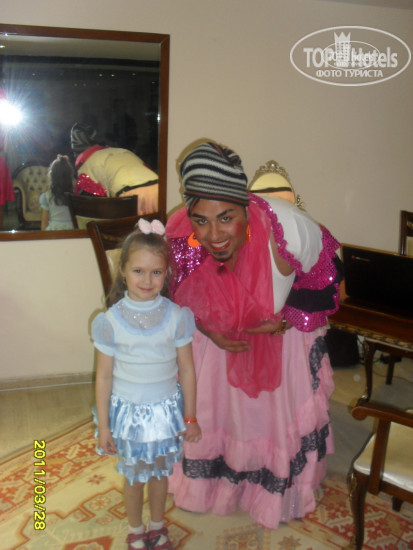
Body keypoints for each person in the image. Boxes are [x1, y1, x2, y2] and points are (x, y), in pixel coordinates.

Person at [165, 140, 342, 529]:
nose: (214, 234)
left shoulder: (289, 231)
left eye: (226, 217)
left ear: (244, 205)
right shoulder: (185, 235)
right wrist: (212, 332)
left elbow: (330, 276)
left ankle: (275, 486)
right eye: (201, 220)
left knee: (267, 420)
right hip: (216, 342)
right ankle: (220, 480)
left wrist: (287, 320)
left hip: (281, 340)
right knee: (220, 416)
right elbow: (180, 295)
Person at [91, 218, 202, 550]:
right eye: (138, 271)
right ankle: (136, 529)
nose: (147, 280)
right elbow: (104, 376)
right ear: (123, 271)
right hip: (129, 416)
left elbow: (187, 370)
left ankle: (157, 525)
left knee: (159, 474)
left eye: (156, 272)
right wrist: (105, 426)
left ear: (166, 274)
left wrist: (191, 417)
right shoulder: (110, 321)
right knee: (134, 476)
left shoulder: (177, 316)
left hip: (164, 413)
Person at [70, 123, 158, 215]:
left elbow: (90, 204)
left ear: (77, 153)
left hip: (129, 197)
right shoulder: (122, 151)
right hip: (158, 189)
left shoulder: (87, 165)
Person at [39, 155, 75, 231]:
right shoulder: (74, 196)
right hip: (71, 231)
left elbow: (44, 221)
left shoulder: (47, 196)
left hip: (54, 231)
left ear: (52, 176)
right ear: (70, 176)